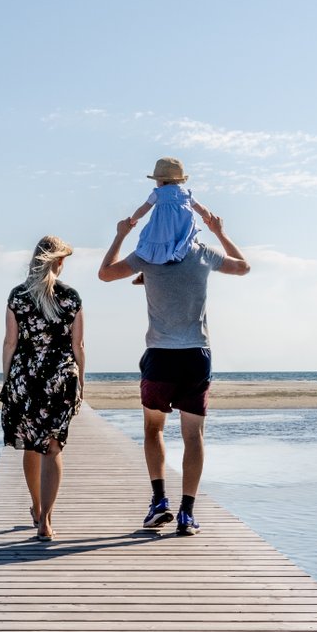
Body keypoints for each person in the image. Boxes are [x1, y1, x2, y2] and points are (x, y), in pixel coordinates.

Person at [97, 203, 249, 536]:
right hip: (196, 353)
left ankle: (158, 503)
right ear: (190, 221)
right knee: (193, 436)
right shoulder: (202, 252)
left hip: (160, 355)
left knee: (154, 429)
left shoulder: (146, 255)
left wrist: (121, 234)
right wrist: (219, 231)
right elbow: (243, 267)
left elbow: (105, 273)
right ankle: (187, 514)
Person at [0, 235, 86, 542]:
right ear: (58, 262)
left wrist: (8, 379)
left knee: (31, 444)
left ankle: (36, 507)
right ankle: (46, 521)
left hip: (27, 378)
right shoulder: (71, 297)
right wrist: (82, 380)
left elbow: (11, 341)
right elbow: (78, 345)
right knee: (52, 446)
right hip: (61, 379)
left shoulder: (18, 296)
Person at [128, 156, 200, 267]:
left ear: (160, 181)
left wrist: (133, 219)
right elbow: (200, 208)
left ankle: (152, 268)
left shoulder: (158, 193)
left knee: (153, 249)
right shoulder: (186, 193)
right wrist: (208, 217)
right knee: (187, 241)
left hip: (164, 232)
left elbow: (143, 209)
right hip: (183, 230)